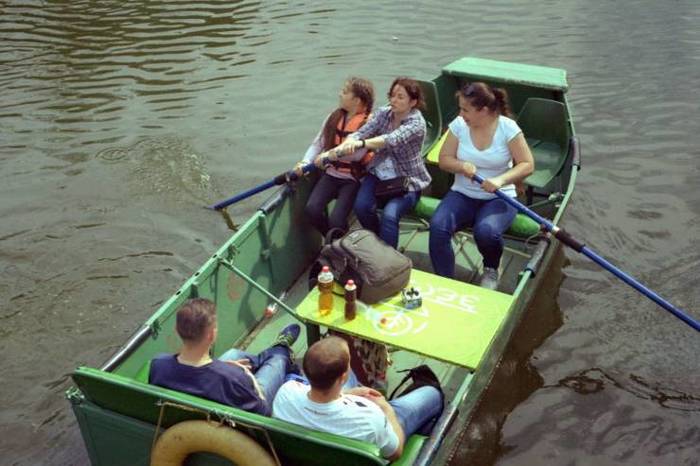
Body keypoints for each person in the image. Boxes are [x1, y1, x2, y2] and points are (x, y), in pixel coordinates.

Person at [429, 82, 534, 288]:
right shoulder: (459, 125)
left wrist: (500, 180)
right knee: (438, 227)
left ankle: (491, 268)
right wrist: (461, 165)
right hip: (463, 194)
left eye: (465, 109)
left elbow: (527, 164)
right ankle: (445, 281)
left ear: (483, 110)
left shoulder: (508, 128)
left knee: (485, 232)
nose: (461, 114)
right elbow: (444, 160)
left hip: (499, 196)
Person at [272, 336, 442, 461]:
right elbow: (395, 453)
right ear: (343, 377)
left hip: (310, 455)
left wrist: (346, 394)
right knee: (432, 394)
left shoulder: (285, 393)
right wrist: (386, 410)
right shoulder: (371, 417)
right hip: (380, 428)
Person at [149, 298, 300, 416]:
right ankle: (280, 348)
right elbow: (265, 413)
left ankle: (266, 356)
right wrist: (249, 378)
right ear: (211, 335)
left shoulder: (158, 365)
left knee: (233, 353)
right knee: (279, 357)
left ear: (176, 330)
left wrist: (221, 367)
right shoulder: (234, 378)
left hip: (188, 430)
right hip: (231, 434)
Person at [336, 77, 431, 249]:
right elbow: (364, 130)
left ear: (413, 102)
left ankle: (388, 258)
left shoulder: (417, 123)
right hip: (379, 173)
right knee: (361, 207)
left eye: (400, 97)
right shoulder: (384, 113)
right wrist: (350, 140)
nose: (394, 100)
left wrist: (362, 143)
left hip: (407, 180)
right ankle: (379, 243)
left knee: (390, 215)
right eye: (392, 95)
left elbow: (391, 139)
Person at [296, 77, 375, 237]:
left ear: (357, 100)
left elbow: (357, 154)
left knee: (336, 220)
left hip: (353, 179)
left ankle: (339, 242)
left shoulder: (369, 123)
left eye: (345, 92)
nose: (340, 94)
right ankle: (336, 241)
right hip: (331, 175)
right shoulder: (333, 117)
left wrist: (327, 157)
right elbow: (317, 144)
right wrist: (305, 162)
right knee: (312, 210)